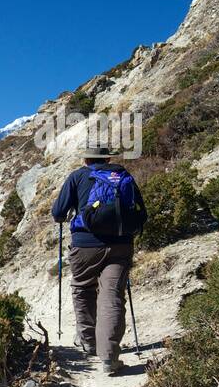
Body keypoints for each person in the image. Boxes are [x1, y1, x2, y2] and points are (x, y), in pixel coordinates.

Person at [50, 146, 149, 374]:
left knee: (83, 288)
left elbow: (58, 213)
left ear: (85, 158)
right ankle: (109, 358)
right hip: (120, 245)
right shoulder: (122, 175)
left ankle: (88, 341)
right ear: (108, 158)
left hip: (85, 245)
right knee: (112, 296)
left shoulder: (77, 176)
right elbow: (141, 213)